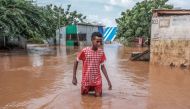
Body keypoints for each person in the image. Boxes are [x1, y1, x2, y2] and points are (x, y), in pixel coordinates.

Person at [72, 32, 112, 97]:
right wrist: (74, 77)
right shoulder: (85, 51)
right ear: (92, 40)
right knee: (84, 98)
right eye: (97, 41)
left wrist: (108, 81)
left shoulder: (101, 52)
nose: (99, 43)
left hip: (97, 81)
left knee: (99, 99)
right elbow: (76, 61)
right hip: (86, 80)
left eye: (100, 41)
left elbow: (102, 67)